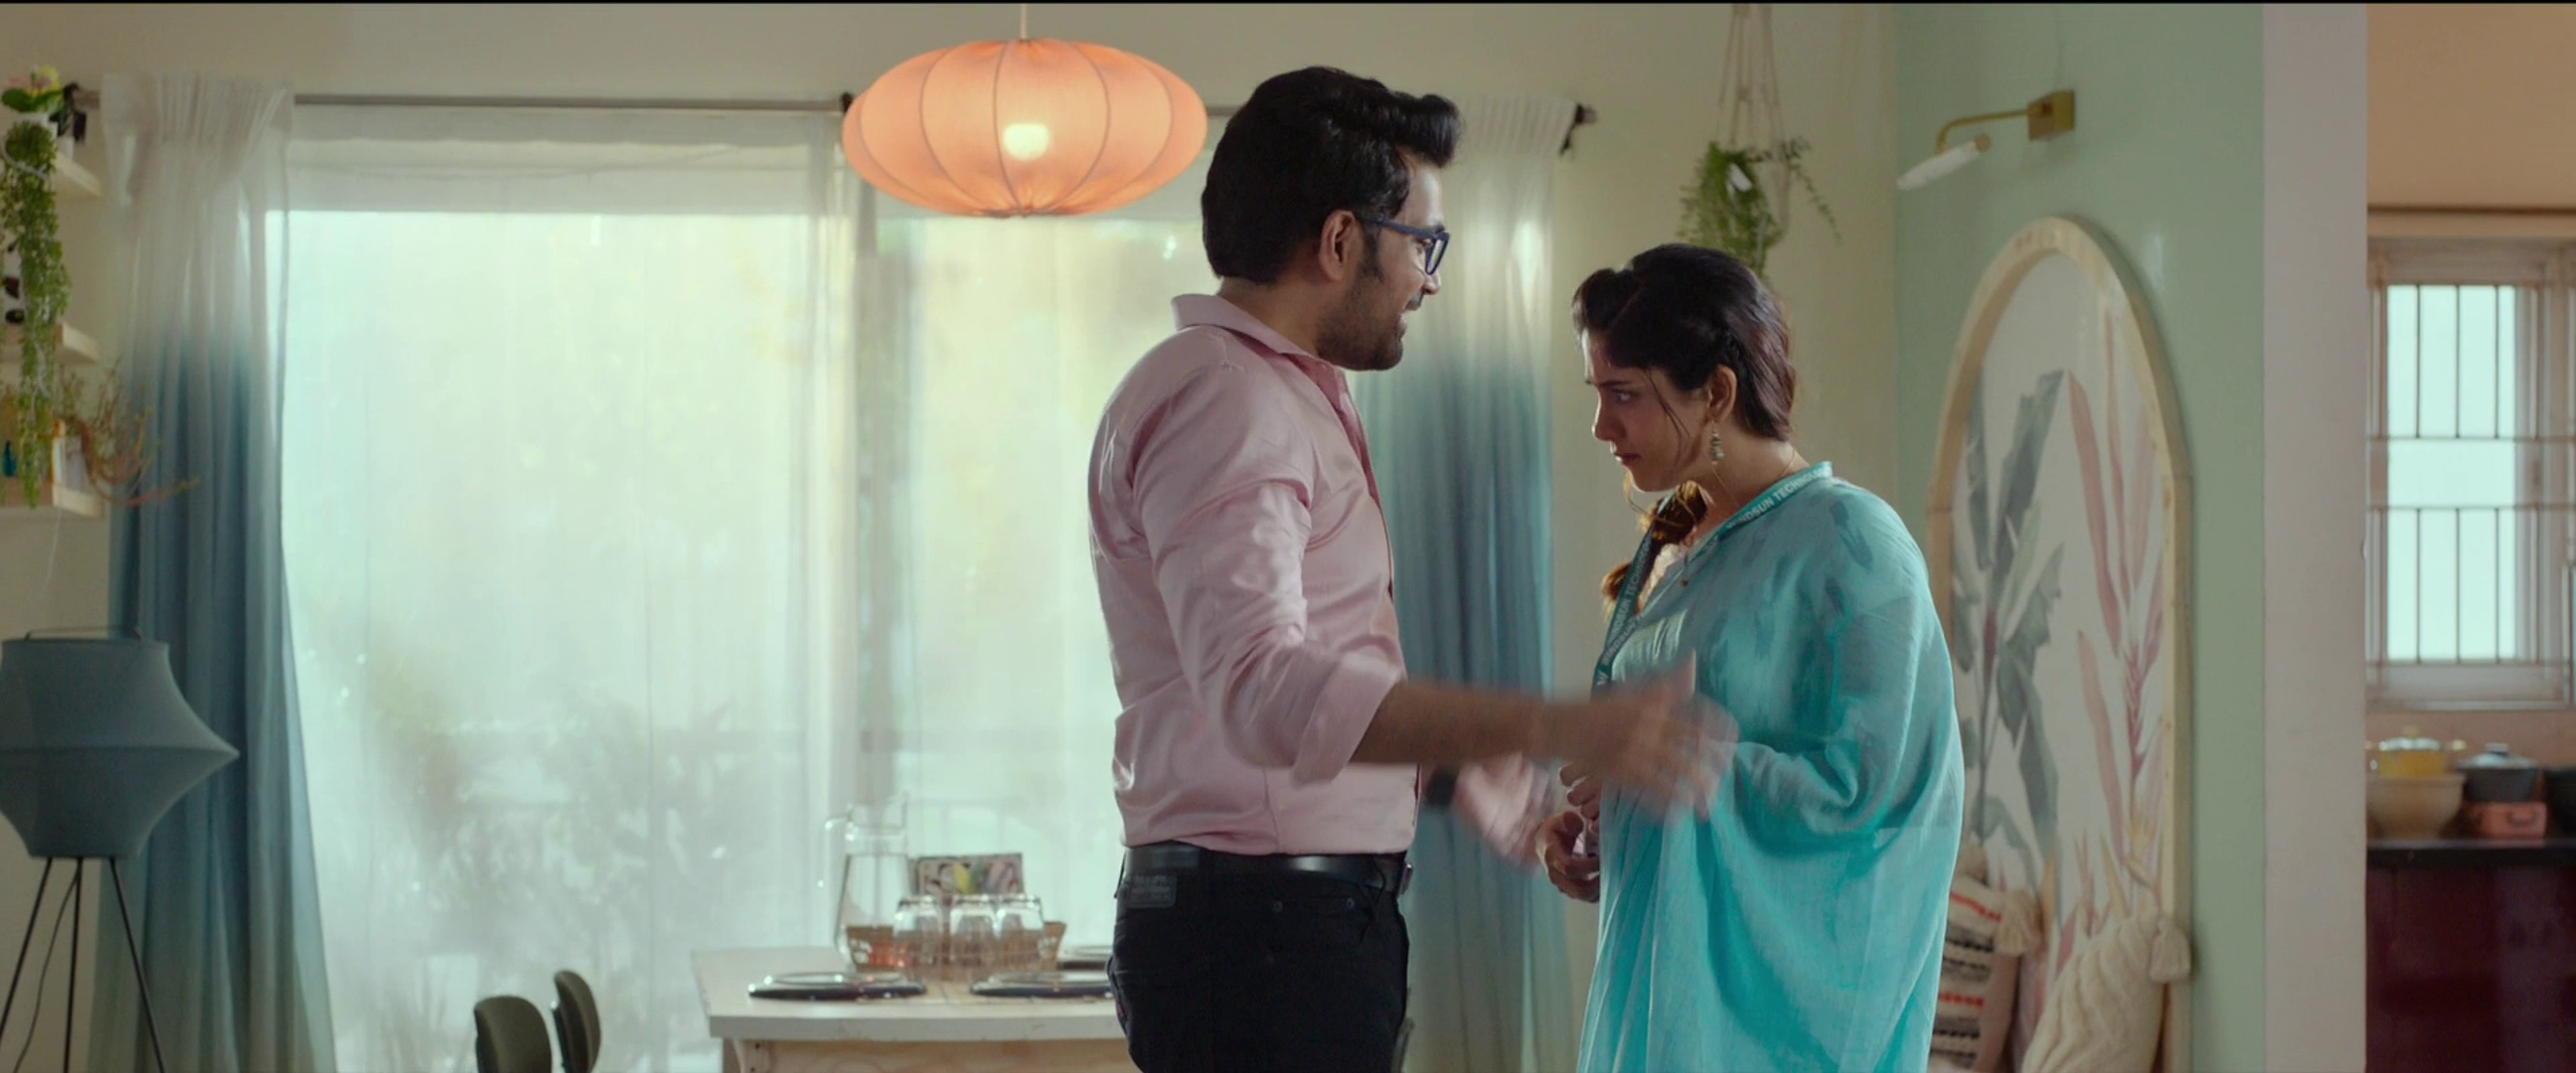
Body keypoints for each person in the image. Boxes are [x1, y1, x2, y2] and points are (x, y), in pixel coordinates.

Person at [1086, 70, 1719, 1073]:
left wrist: (1455, 768)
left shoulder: (1274, 395)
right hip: (1263, 936)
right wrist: (1557, 724)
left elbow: (1297, 682)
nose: (1430, 280)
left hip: (1276, 926)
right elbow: (1259, 687)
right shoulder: (1229, 401)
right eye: (1424, 244)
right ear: (1341, 242)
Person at [1537, 244, 1965, 1072]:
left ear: (1717, 394)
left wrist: (1662, 776)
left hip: (1772, 1036)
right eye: (1597, 394)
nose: (1600, 427)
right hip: (1657, 999)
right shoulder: (1672, 546)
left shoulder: (1852, 542)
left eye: (1623, 395)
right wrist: (1605, 834)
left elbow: (1885, 801)